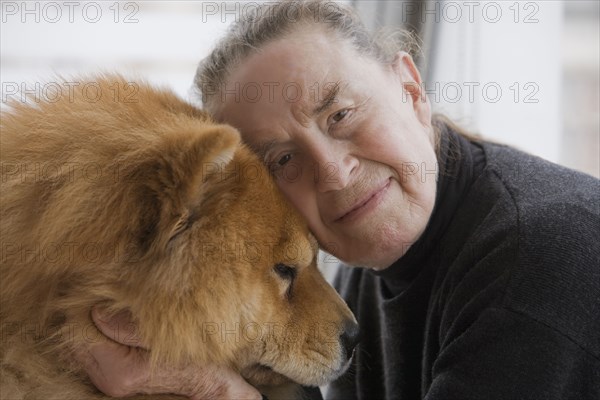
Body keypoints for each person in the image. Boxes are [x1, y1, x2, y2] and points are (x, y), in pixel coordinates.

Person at [81, 1, 600, 399]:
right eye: (282, 160)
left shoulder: (542, 251)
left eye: (341, 115)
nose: (332, 172)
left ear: (411, 91)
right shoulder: (360, 273)